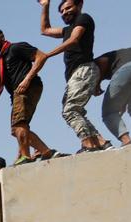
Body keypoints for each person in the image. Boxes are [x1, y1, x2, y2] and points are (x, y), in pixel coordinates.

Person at [39, 0, 110, 152]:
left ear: (79, 5)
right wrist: (45, 5)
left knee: (70, 110)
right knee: (74, 110)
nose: (65, 12)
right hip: (75, 75)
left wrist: (48, 55)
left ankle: (89, 145)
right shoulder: (66, 30)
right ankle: (101, 142)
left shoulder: (83, 18)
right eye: (62, 11)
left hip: (83, 69)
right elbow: (45, 30)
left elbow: (74, 39)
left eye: (68, 8)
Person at [0, 29, 56, 164]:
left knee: (19, 124)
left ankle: (26, 157)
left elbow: (41, 57)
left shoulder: (16, 48)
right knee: (15, 130)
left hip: (27, 88)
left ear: (1, 37)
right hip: (17, 93)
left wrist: (26, 80)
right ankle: (46, 152)